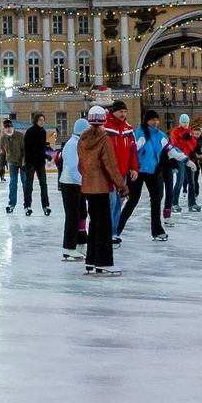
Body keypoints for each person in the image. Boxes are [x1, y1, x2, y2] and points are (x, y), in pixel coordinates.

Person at [119, 109, 188, 241]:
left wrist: (185, 159)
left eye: (157, 120)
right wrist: (130, 169)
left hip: (152, 172)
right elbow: (132, 152)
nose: (156, 122)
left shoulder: (161, 136)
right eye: (153, 120)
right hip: (137, 172)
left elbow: (171, 149)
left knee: (156, 199)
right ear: (147, 121)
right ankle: (116, 230)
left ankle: (157, 230)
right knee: (133, 200)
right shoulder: (140, 135)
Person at [78, 106, 129, 276]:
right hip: (100, 188)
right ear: (104, 120)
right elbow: (111, 166)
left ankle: (91, 261)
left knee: (94, 223)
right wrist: (122, 186)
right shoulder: (103, 139)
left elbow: (80, 166)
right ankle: (105, 262)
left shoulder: (82, 139)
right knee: (105, 225)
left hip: (87, 187)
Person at [103, 100, 139, 243]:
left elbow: (133, 150)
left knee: (119, 202)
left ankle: (114, 231)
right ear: (114, 112)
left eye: (125, 112)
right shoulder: (105, 127)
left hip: (124, 173)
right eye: (121, 112)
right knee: (111, 202)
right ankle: (108, 231)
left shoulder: (128, 129)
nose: (123, 114)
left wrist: (135, 168)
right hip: (110, 173)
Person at [59, 118, 89, 261]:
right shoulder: (72, 145)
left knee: (82, 213)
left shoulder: (80, 143)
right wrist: (83, 183)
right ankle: (69, 247)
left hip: (78, 183)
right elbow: (72, 168)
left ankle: (81, 243)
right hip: (70, 184)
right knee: (73, 216)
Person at [169, 114, 200, 212]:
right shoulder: (175, 132)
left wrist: (191, 138)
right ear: (180, 123)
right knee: (180, 181)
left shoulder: (190, 131)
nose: (186, 125)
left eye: (187, 123)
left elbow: (194, 144)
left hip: (189, 158)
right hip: (180, 159)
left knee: (192, 181)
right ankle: (174, 203)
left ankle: (192, 203)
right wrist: (183, 139)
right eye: (184, 123)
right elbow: (174, 146)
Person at [22, 113, 52, 217]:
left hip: (40, 162)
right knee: (29, 184)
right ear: (36, 120)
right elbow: (29, 148)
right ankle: (27, 205)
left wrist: (44, 156)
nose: (42, 122)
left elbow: (41, 148)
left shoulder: (43, 132)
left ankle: (46, 205)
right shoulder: (30, 132)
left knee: (43, 184)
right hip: (31, 162)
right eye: (40, 120)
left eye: (43, 120)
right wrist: (45, 156)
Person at [0, 121, 24, 213]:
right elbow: (2, 153)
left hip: (22, 163)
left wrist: (24, 163)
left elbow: (25, 150)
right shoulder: (3, 139)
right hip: (12, 163)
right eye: (6, 128)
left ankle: (27, 204)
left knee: (25, 183)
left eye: (9, 127)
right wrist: (0, 167)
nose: (8, 129)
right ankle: (11, 204)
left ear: (12, 127)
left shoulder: (19, 136)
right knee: (13, 183)